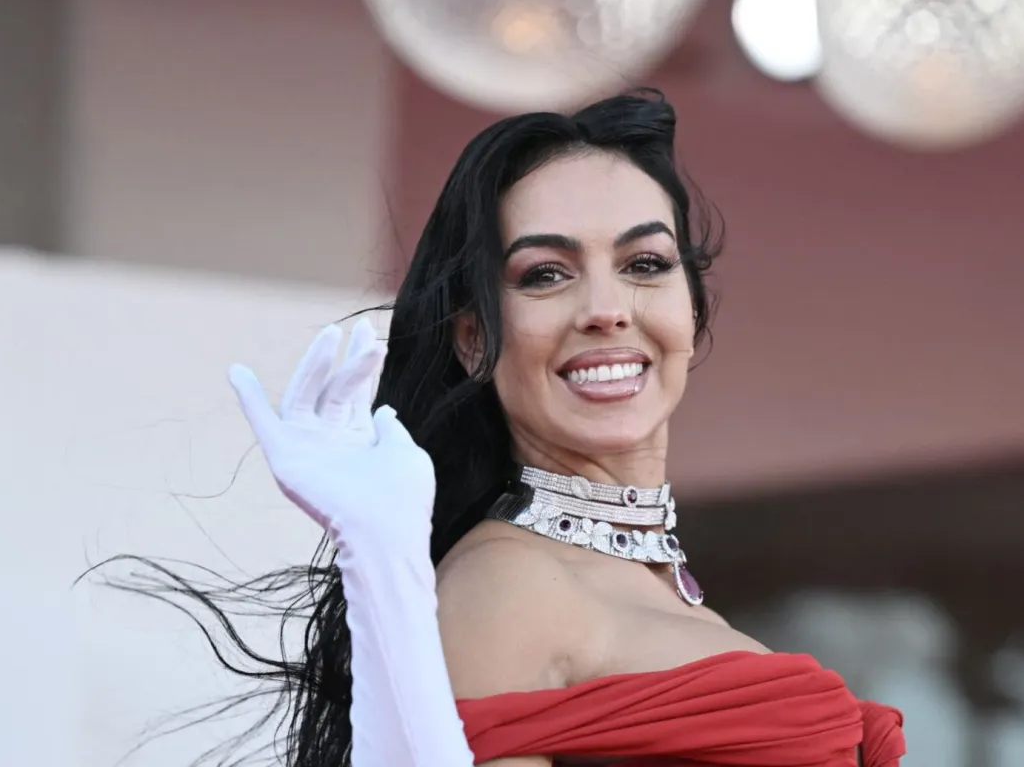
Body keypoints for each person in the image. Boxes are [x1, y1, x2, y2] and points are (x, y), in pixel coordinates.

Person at [152, 91, 905, 766]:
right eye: (546, 273)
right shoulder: (508, 588)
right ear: (476, 338)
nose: (607, 308)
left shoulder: (659, 595)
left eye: (645, 263)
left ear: (693, 307)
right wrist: (380, 564)